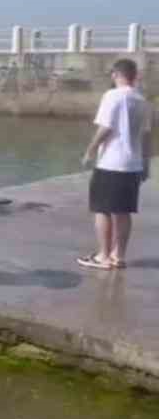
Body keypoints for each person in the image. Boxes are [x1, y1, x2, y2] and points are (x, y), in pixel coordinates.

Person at [79, 59, 152, 269]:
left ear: (115, 74)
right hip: (133, 165)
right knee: (123, 211)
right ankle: (119, 256)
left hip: (111, 163)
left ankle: (103, 256)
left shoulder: (112, 96)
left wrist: (90, 151)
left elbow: (105, 128)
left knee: (102, 210)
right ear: (134, 75)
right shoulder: (142, 100)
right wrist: (146, 164)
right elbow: (147, 136)